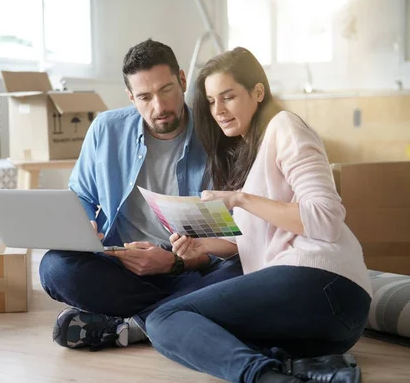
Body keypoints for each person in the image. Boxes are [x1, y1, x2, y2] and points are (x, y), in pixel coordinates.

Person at [145, 47, 372, 383]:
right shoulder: (248, 151)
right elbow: (257, 238)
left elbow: (325, 218)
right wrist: (205, 246)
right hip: (330, 325)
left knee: (165, 319)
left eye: (228, 97)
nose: (218, 110)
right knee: (200, 331)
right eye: (210, 101)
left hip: (325, 283)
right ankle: (308, 370)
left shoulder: (285, 126)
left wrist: (240, 199)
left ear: (258, 92)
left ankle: (266, 378)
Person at [38, 39, 243, 351]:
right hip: (123, 266)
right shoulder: (106, 130)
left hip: (190, 269)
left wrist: (173, 263)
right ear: (131, 97)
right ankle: (173, 315)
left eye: (166, 90)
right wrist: (82, 226)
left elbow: (233, 238)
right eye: (145, 97)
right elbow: (80, 194)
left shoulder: (217, 135)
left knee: (243, 269)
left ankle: (133, 325)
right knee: (54, 268)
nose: (159, 107)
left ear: (183, 81)